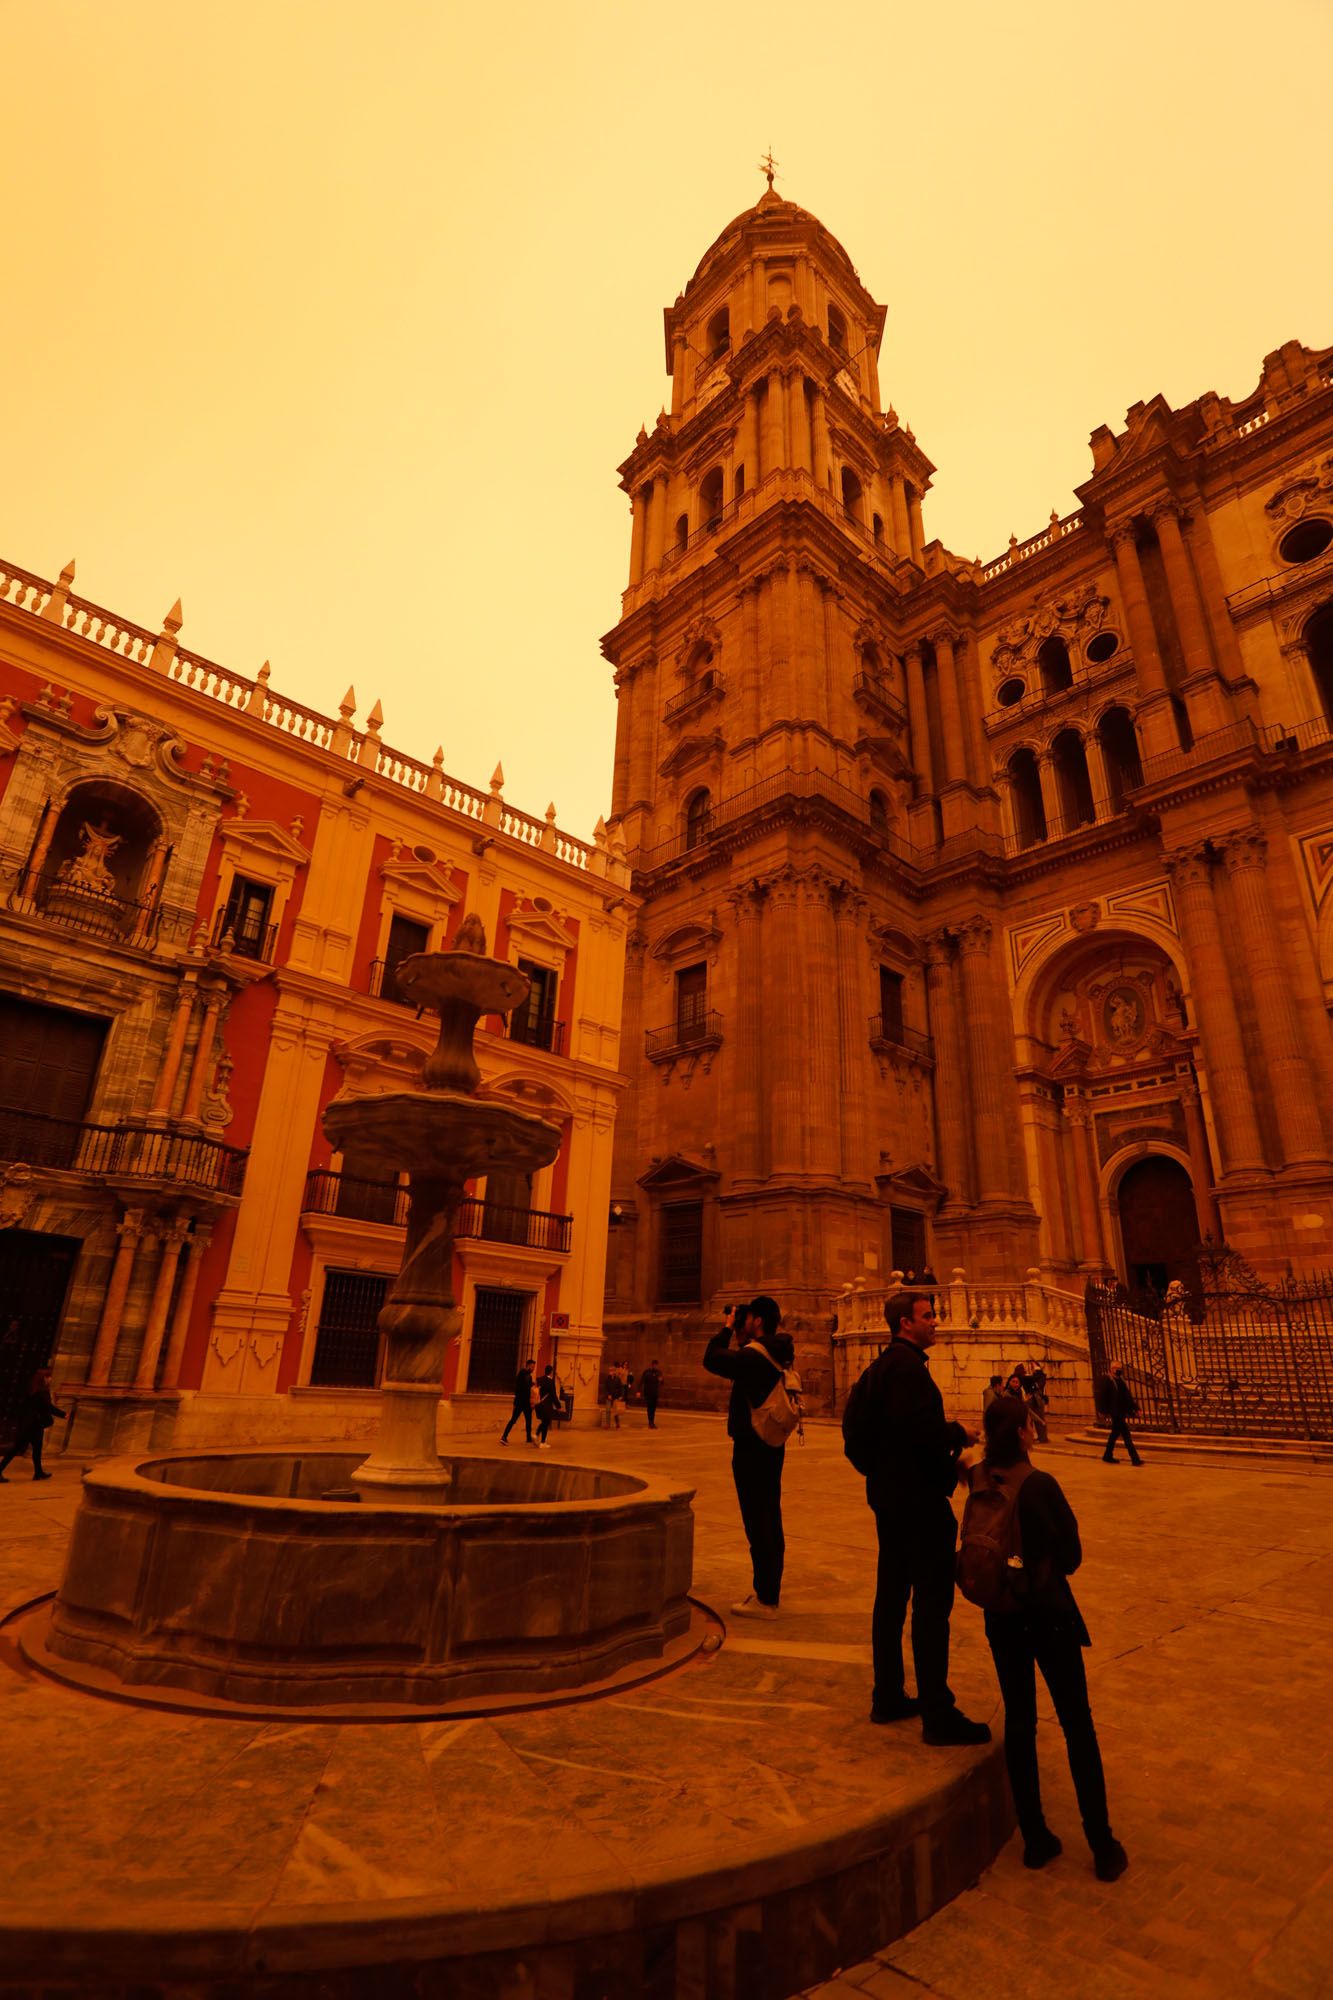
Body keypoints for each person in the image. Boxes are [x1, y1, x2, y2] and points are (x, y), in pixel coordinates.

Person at [975, 1395, 1128, 1881]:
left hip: (1000, 1615)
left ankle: (1036, 1839)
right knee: (1076, 1724)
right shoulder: (1039, 1485)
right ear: (1022, 1432)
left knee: (1020, 1721)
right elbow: (1072, 1554)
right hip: (1046, 1614)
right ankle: (1101, 1844)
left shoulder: (982, 1479)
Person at [857, 1290, 992, 1746]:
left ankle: (888, 1694)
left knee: (890, 1598)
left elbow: (855, 1437)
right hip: (920, 1506)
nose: (935, 1322)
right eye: (927, 1316)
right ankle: (938, 1713)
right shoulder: (910, 1371)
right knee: (932, 1607)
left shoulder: (876, 1369)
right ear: (904, 1323)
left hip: (890, 1502)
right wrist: (959, 1433)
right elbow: (921, 1436)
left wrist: (881, 1474)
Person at [704, 1296, 793, 1620]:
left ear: (757, 1320)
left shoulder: (755, 1356)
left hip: (752, 1446)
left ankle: (766, 1598)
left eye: (746, 1318)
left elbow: (712, 1359)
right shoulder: (778, 1351)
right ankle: (770, 1591)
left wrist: (726, 1327)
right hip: (771, 1443)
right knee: (770, 1516)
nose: (742, 1323)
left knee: (758, 1521)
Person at [0, 1367, 65, 1482]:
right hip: (33, 1425)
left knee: (36, 1449)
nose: (50, 1379)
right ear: (44, 1378)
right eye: (49, 1377)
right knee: (16, 1449)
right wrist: (63, 1414)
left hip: (30, 1423)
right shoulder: (42, 1392)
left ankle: (38, 1473)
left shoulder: (32, 1389)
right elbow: (47, 1407)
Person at [1099, 1362, 1143, 1465]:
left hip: (1121, 1411)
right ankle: (1135, 1459)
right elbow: (1103, 1397)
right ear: (1112, 1369)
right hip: (1115, 1412)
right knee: (1126, 1436)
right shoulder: (1107, 1380)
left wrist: (1136, 1408)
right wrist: (1102, 1411)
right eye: (1117, 1368)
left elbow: (1128, 1396)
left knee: (1114, 1434)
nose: (1119, 1370)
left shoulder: (1121, 1381)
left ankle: (1107, 1455)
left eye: (1120, 1368)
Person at [500, 1357, 536, 1445]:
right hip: (522, 1402)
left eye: (534, 1367)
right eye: (532, 1367)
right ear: (528, 1366)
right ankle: (504, 1437)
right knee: (518, 1420)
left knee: (525, 1420)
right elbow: (522, 1388)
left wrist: (533, 1384)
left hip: (523, 1402)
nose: (533, 1369)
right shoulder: (524, 1374)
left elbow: (525, 1387)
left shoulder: (526, 1376)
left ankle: (527, 1438)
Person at [534, 1364, 559, 1448]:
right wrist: (558, 1405)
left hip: (538, 1403)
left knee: (544, 1421)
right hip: (546, 1405)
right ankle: (542, 1442)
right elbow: (553, 1395)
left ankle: (537, 1435)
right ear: (551, 1372)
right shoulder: (550, 1382)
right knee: (546, 1422)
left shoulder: (539, 1379)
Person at [1025, 1366, 1050, 1444]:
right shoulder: (1039, 1378)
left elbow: (1036, 1387)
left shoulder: (1040, 1378)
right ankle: (1041, 1437)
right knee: (1035, 1419)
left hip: (1037, 1401)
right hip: (1035, 1400)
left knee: (1039, 1419)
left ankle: (1042, 1438)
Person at [641, 1359, 662, 1429]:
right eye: (654, 1365)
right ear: (652, 1365)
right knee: (649, 1408)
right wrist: (639, 1391)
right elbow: (642, 1381)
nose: (656, 1366)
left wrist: (661, 1380)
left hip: (655, 1393)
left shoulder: (659, 1372)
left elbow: (662, 1382)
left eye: (657, 1365)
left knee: (653, 1408)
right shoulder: (647, 1372)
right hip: (648, 1393)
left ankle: (652, 1421)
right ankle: (650, 1422)